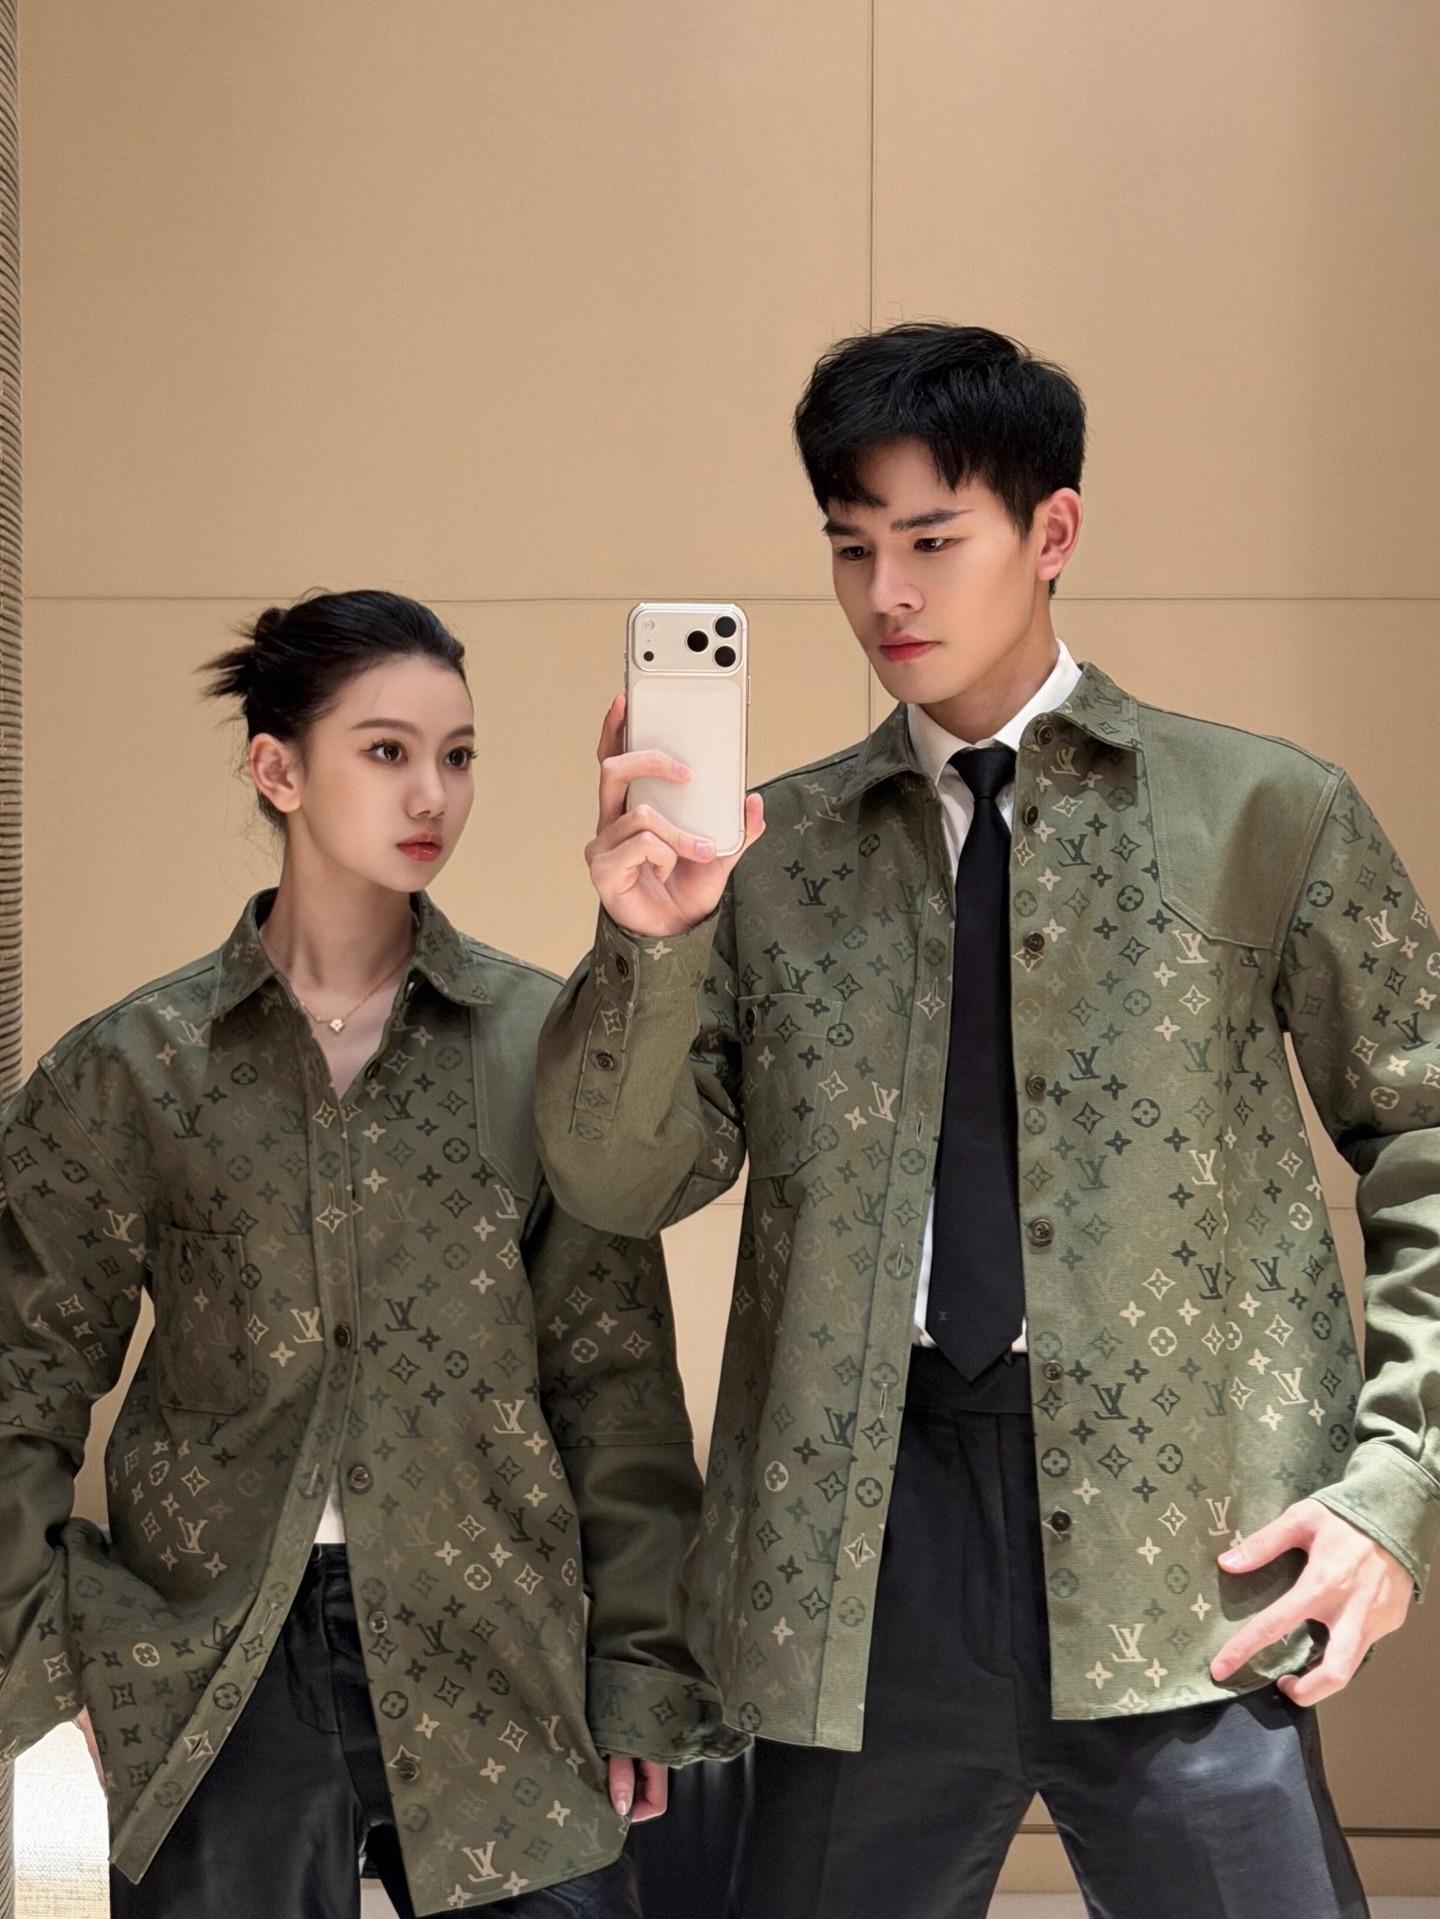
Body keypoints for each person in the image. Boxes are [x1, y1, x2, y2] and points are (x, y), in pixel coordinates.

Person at [531, 324, 1440, 1918]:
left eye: (932, 541)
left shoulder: (1261, 813)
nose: (886, 592)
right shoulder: (773, 858)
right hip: (855, 1564)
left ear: (1053, 531)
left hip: (1191, 1553)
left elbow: (1426, 1132)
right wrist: (651, 945)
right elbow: (616, 1180)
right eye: (851, 547)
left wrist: (1394, 1485)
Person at [0, 589, 739, 1918]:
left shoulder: (538, 1046)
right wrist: (35, 1661)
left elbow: (612, 1382)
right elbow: (21, 1379)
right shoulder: (132, 1068)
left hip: (495, 1642)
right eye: (387, 750)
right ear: (277, 769)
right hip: (216, 1657)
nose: (432, 794)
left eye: (458, 755)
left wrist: (641, 1662)